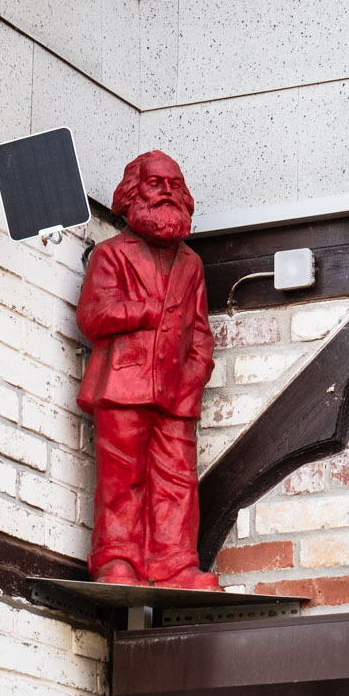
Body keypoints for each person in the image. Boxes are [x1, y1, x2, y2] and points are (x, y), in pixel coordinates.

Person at [75, 151, 219, 590]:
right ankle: (117, 558)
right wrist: (143, 310)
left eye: (175, 185)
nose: (167, 193)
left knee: (178, 480)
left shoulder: (191, 264)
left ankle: (175, 564)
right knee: (123, 478)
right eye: (157, 184)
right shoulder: (111, 254)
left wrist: (193, 379)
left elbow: (199, 333)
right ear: (133, 193)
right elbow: (93, 316)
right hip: (122, 385)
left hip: (176, 394)